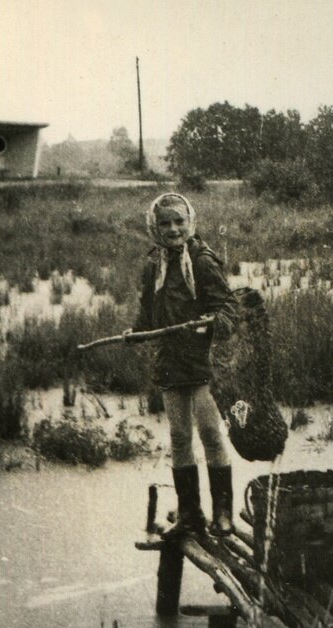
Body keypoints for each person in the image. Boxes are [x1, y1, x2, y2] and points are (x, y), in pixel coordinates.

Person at [128, 192, 237, 537]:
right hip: (170, 361)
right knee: (178, 436)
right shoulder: (152, 265)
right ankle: (190, 512)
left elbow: (229, 311)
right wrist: (136, 332)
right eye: (165, 223)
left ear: (190, 221)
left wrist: (211, 323)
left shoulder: (203, 261)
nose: (173, 229)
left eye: (179, 222)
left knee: (209, 432)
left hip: (204, 362)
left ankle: (223, 514)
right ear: (154, 227)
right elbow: (148, 313)